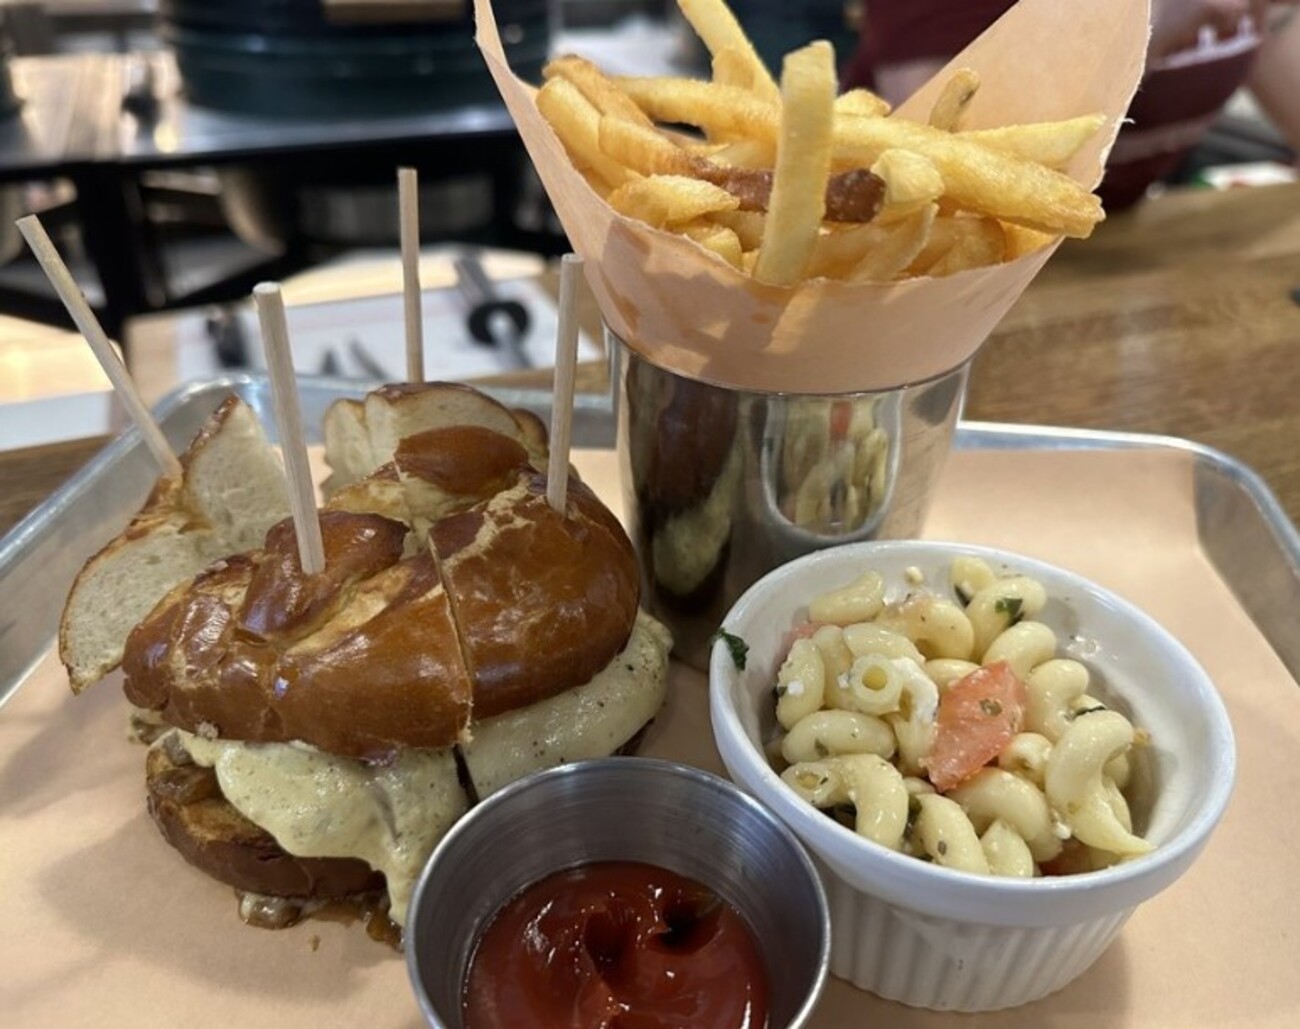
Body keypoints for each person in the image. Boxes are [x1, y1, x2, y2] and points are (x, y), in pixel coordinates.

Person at [843, 0, 1300, 208]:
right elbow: (957, 174)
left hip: (1124, 255)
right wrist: (1156, 22)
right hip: (940, 297)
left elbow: (1278, 40)